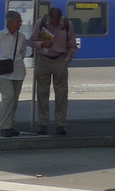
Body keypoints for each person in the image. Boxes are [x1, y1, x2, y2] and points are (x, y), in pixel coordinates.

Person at [34, 7, 77, 135]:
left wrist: (67, 59)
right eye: (53, 21)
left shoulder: (67, 24)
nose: (56, 24)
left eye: (58, 21)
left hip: (60, 60)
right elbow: (32, 41)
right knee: (42, 93)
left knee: (61, 94)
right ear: (49, 18)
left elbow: (72, 44)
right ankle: (43, 124)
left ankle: (61, 124)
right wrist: (42, 44)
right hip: (43, 59)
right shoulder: (40, 23)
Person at [0, 10, 27, 138]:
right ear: (10, 22)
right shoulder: (0, 36)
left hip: (18, 71)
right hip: (3, 73)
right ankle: (4, 126)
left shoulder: (21, 37)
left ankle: (10, 125)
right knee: (8, 97)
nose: (20, 24)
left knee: (14, 100)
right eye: (18, 21)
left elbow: (23, 53)